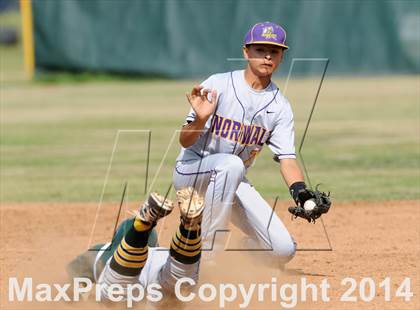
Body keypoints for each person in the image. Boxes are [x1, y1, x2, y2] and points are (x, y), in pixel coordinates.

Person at [173, 21, 316, 264]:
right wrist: (200, 119)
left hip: (231, 179)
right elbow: (185, 141)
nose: (267, 56)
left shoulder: (280, 106)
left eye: (275, 51)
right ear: (246, 52)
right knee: (232, 164)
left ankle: (244, 254)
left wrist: (301, 193)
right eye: (260, 50)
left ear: (282, 57)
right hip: (191, 172)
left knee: (282, 250)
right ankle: (207, 257)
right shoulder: (219, 85)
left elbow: (287, 159)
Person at [67, 188, 205, 301]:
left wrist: (85, 296)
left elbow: (73, 281)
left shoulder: (102, 251)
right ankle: (189, 228)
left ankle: (141, 226)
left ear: (116, 240)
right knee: (181, 282)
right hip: (159, 267)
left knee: (116, 294)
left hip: (123, 268)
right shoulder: (160, 252)